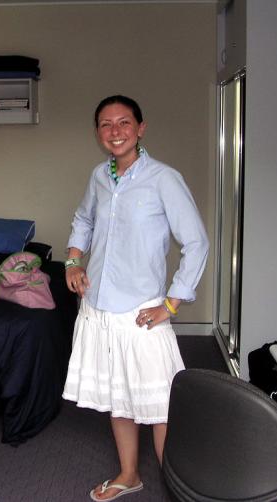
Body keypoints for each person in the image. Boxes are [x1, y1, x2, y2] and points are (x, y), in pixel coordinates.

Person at [62, 95, 209, 501]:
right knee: (118, 396)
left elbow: (196, 243)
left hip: (142, 310)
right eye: (106, 125)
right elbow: (84, 219)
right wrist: (73, 260)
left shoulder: (164, 178)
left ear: (140, 128)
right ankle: (130, 474)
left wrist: (172, 303)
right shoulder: (99, 176)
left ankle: (176, 490)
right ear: (98, 133)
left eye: (124, 123)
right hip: (98, 306)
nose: (115, 131)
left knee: (159, 403)